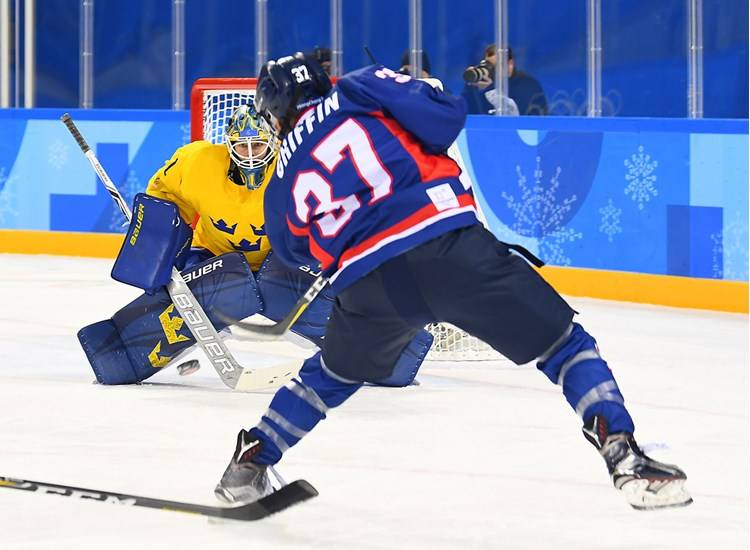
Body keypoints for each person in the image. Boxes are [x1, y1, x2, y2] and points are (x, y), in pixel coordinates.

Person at [214, 53, 692, 511]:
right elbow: (446, 118)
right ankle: (623, 454)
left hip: (368, 284)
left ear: (275, 114)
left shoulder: (280, 178)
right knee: (565, 347)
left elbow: (294, 249)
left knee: (331, 376)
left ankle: (251, 459)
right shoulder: (360, 86)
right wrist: (413, 100)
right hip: (447, 247)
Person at [77, 103, 432, 389]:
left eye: (257, 145)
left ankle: (386, 353)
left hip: (285, 259)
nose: (249, 154)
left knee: (301, 288)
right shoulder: (197, 162)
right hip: (215, 256)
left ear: (273, 142)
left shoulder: (301, 168)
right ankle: (122, 352)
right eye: (241, 146)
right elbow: (164, 194)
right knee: (192, 293)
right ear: (229, 144)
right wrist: (154, 231)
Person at [461, 45, 548, 115]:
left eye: (496, 65)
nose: (491, 70)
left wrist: (490, 90)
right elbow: (464, 114)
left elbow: (514, 117)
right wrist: (470, 87)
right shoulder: (483, 84)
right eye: (488, 64)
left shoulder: (527, 85)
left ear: (510, 64)